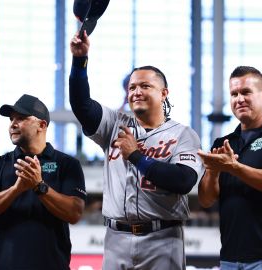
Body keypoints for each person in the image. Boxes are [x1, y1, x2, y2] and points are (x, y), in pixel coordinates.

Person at [69, 31, 203, 270]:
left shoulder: (183, 134)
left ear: (164, 93)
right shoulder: (113, 124)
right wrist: (80, 60)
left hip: (163, 237)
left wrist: (136, 156)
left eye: (145, 86)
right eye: (132, 88)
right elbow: (81, 105)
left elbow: (183, 181)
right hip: (115, 237)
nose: (136, 92)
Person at [198, 66, 262, 269]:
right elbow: (206, 199)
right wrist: (213, 171)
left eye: (246, 92)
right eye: (234, 94)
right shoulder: (224, 143)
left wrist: (234, 167)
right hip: (230, 257)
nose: (239, 99)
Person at [0, 94, 86, 270]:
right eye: (11, 119)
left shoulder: (67, 164)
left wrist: (39, 186)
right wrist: (16, 190)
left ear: (42, 125)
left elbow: (75, 213)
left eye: (21, 118)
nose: (13, 124)